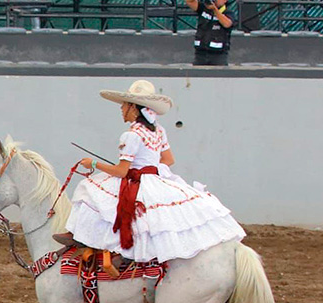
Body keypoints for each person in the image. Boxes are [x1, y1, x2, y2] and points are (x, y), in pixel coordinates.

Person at [55, 80, 245, 265]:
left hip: (136, 179)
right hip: (153, 179)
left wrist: (94, 163)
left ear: (133, 108)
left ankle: (80, 236)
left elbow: (121, 171)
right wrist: (150, 170)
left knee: (88, 187)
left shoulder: (131, 135)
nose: (121, 108)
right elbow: (169, 160)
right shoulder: (158, 131)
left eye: (124, 105)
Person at [187, 0, 235, 66]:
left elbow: (227, 24)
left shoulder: (228, 13)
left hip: (218, 55)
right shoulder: (203, 9)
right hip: (201, 53)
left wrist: (215, 10)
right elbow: (190, 2)